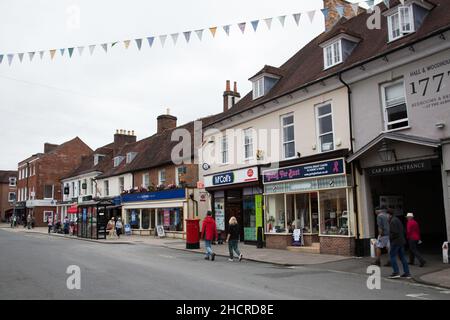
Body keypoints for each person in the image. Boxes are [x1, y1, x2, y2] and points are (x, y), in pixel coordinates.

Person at [388, 212, 411, 279]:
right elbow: (403, 230)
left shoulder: (392, 221)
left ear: (389, 215)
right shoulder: (398, 220)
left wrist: (390, 238)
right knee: (402, 257)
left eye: (387, 215)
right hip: (401, 241)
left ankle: (396, 272)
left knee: (392, 256)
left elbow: (394, 233)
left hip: (395, 242)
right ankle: (407, 273)